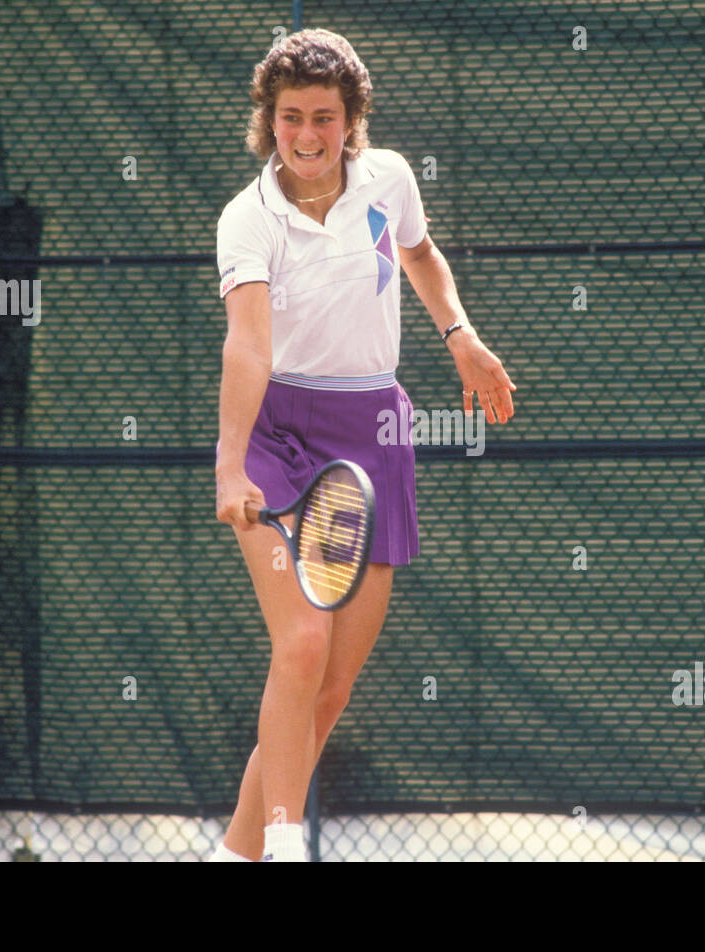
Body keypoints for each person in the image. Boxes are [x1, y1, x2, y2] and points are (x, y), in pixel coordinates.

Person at [211, 28, 516, 862]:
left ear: (353, 122)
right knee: (301, 642)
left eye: (325, 117)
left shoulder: (389, 180)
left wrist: (461, 337)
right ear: (266, 121)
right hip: (277, 435)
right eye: (289, 118)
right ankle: (280, 841)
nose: (307, 136)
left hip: (375, 433)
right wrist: (231, 461)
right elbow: (247, 345)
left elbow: (419, 254)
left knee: (333, 684)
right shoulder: (247, 220)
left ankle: (230, 857)